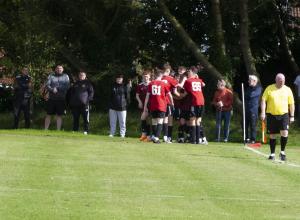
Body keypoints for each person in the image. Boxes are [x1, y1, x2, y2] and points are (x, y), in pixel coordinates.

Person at [261, 73, 295, 161]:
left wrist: (292, 116)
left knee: (285, 133)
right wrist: (263, 113)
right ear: (276, 80)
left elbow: (291, 104)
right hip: (271, 115)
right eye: (280, 81)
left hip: (284, 114)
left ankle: (282, 152)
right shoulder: (269, 88)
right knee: (272, 135)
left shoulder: (288, 89)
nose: (281, 82)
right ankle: (272, 154)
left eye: (283, 81)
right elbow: (263, 100)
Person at [143, 69, 173, 144]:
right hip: (161, 105)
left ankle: (154, 136)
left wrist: (145, 106)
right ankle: (156, 137)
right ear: (161, 75)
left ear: (155, 75)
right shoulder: (164, 84)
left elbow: (147, 96)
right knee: (160, 121)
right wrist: (172, 103)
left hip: (153, 105)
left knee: (154, 121)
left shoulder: (151, 83)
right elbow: (169, 95)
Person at [183, 67, 207, 144]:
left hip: (195, 102)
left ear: (193, 73)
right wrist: (197, 77)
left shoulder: (187, 81)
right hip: (202, 101)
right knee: (198, 120)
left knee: (192, 120)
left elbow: (185, 92)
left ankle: (193, 140)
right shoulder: (199, 80)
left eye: (189, 72)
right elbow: (203, 84)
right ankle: (198, 140)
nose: (188, 73)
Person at [44, 65, 70, 130]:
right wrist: (52, 89)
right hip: (51, 98)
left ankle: (58, 130)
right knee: (48, 114)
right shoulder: (51, 76)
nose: (59, 69)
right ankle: (45, 129)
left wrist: (57, 88)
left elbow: (67, 86)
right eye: (58, 68)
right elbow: (47, 85)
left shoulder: (66, 76)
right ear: (55, 69)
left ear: (63, 69)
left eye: (60, 68)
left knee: (59, 115)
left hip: (61, 99)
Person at [161, 63, 180, 143]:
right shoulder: (170, 79)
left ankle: (164, 136)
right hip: (168, 101)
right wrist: (181, 96)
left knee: (162, 119)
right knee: (169, 119)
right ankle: (168, 137)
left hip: (160, 101)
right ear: (168, 71)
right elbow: (175, 91)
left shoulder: (159, 78)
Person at [245, 75, 262, 143]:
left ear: (254, 81)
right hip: (246, 109)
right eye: (249, 80)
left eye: (250, 80)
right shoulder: (248, 88)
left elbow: (251, 95)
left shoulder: (258, 88)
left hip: (253, 110)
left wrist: (248, 95)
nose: (248, 81)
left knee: (253, 125)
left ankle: (253, 139)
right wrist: (247, 95)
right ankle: (246, 138)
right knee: (245, 125)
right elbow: (245, 95)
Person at [136, 69, 152, 141]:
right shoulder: (140, 85)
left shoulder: (152, 84)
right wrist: (139, 102)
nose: (146, 78)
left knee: (147, 119)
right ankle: (145, 135)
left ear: (149, 77)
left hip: (150, 105)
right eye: (144, 76)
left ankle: (147, 136)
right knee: (143, 119)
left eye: (147, 76)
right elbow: (137, 95)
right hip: (143, 104)